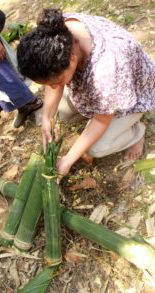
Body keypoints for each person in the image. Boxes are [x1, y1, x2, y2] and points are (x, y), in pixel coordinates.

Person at [17, 8, 155, 176]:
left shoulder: (107, 68)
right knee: (59, 113)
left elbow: (101, 120)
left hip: (133, 95)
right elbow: (51, 75)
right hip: (103, 89)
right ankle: (119, 126)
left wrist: (68, 160)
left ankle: (136, 132)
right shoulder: (56, 33)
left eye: (56, 82)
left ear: (72, 59)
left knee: (96, 148)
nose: (53, 87)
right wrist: (47, 117)